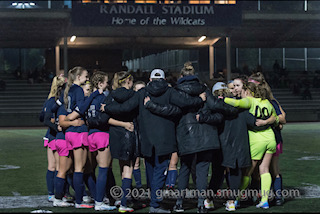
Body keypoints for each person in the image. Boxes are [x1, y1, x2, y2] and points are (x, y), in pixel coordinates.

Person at [102, 68, 206, 213]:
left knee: (150, 170)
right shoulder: (170, 92)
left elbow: (124, 108)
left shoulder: (142, 93)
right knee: (160, 171)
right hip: (165, 140)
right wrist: (200, 99)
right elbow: (186, 102)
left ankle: (154, 201)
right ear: (164, 79)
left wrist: (107, 107)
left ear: (150, 79)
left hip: (146, 139)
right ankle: (155, 205)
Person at [168, 62, 223, 213]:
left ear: (181, 76)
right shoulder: (204, 89)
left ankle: (179, 203)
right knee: (202, 171)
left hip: (185, 135)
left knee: (185, 168)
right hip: (206, 135)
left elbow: (173, 112)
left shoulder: (176, 91)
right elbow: (216, 107)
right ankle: (200, 204)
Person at [223, 81, 279, 209]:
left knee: (247, 172)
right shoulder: (267, 102)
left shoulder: (250, 101)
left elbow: (236, 103)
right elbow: (275, 118)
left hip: (257, 139)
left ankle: (235, 199)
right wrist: (266, 121)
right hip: (270, 138)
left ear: (249, 91)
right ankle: (264, 200)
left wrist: (221, 98)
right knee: (264, 169)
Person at [248, 72, 287, 206]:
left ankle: (277, 196)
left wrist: (272, 121)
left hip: (272, 138)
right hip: (259, 138)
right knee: (258, 170)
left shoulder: (269, 100)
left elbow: (282, 117)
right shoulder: (252, 100)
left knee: (271, 168)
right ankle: (257, 195)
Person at [62, 66, 94, 209]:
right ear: (78, 76)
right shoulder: (78, 90)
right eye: (85, 76)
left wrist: (68, 119)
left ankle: (83, 196)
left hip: (69, 132)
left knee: (75, 168)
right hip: (78, 131)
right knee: (79, 168)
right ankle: (80, 201)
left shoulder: (68, 90)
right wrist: (71, 118)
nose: (87, 79)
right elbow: (80, 108)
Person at [41, 75, 65, 202]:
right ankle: (55, 193)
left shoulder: (50, 99)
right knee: (55, 167)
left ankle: (55, 193)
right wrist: (56, 126)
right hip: (53, 136)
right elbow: (45, 119)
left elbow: (41, 116)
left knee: (55, 166)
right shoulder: (53, 100)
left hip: (52, 135)